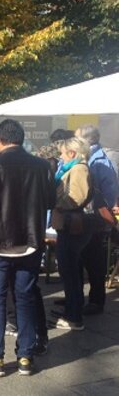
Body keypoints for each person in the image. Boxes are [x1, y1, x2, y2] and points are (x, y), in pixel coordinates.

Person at [0, 119, 55, 377]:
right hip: (30, 242)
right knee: (25, 299)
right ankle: (26, 356)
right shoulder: (42, 166)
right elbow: (50, 201)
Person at [74, 125, 118, 315]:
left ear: (86, 140)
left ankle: (96, 300)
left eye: (76, 138)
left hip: (94, 218)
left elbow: (109, 193)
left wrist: (102, 213)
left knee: (94, 261)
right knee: (79, 259)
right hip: (84, 217)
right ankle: (75, 297)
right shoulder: (89, 157)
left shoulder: (100, 161)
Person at [50, 137, 92, 331]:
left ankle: (74, 317)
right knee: (70, 271)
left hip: (72, 226)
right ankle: (72, 309)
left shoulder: (79, 169)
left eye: (63, 153)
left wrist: (55, 203)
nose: (61, 157)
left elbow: (76, 197)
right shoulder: (75, 168)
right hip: (69, 225)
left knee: (70, 271)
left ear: (72, 153)